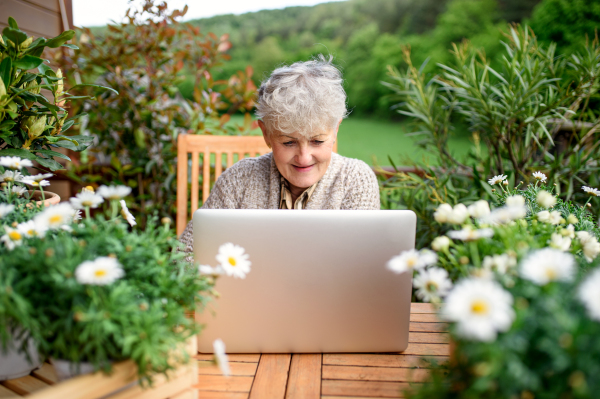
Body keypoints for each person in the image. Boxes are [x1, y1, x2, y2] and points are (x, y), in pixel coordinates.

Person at [179, 55, 380, 254]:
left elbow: (366, 267)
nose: (303, 157)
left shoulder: (355, 180)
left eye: (317, 141)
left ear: (335, 130)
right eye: (288, 142)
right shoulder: (238, 180)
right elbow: (184, 256)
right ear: (266, 134)